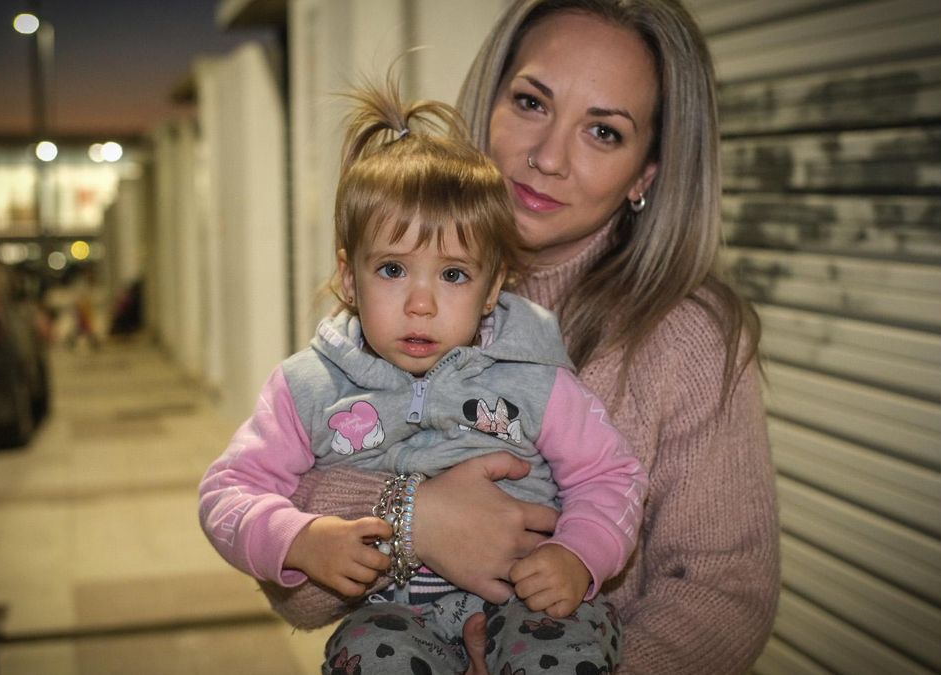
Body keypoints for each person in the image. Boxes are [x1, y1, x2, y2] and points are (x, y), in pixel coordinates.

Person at [262, 1, 781, 673]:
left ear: (645, 175)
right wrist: (413, 518)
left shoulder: (689, 336)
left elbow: (726, 593)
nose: (547, 157)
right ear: (489, 102)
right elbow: (292, 593)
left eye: (603, 132)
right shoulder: (398, 296)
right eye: (532, 103)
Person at [199, 79, 648, 675]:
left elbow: (611, 474)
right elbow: (226, 492)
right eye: (392, 268)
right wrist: (297, 538)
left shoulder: (535, 377)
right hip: (394, 618)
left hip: (529, 601)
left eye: (454, 276)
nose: (420, 304)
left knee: (560, 651)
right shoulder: (307, 387)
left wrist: (579, 555)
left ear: (492, 290)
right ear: (349, 278)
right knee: (364, 655)